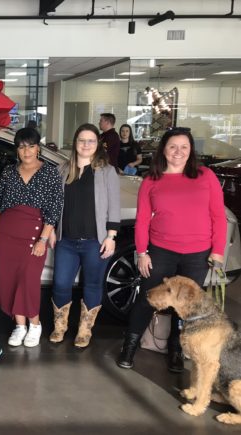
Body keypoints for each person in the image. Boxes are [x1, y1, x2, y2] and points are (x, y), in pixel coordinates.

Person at [116, 128, 226, 372]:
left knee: (185, 305)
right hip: (161, 251)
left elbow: (218, 216)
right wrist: (142, 253)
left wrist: (217, 250)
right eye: (173, 146)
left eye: (184, 147)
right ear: (163, 150)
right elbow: (142, 221)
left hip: (198, 254)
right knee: (147, 299)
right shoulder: (151, 180)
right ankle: (129, 346)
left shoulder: (205, 176)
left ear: (191, 150)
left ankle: (175, 350)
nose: (178, 152)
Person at [0, 128, 63, 347]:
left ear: (38, 148)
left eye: (31, 146)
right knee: (10, 281)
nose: (27, 151)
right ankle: (20, 326)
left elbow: (54, 209)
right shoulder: (9, 172)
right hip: (6, 234)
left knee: (28, 281)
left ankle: (35, 324)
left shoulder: (50, 173)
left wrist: (43, 239)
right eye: (22, 147)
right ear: (17, 150)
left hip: (34, 235)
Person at [50, 123, 120, 348]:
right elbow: (53, 203)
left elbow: (114, 206)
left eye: (91, 140)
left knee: (92, 285)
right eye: (82, 140)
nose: (86, 144)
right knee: (60, 284)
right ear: (75, 143)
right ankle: (60, 326)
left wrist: (111, 237)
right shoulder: (62, 169)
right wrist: (50, 230)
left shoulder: (107, 171)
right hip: (66, 241)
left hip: (95, 242)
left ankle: (84, 330)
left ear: (98, 144)